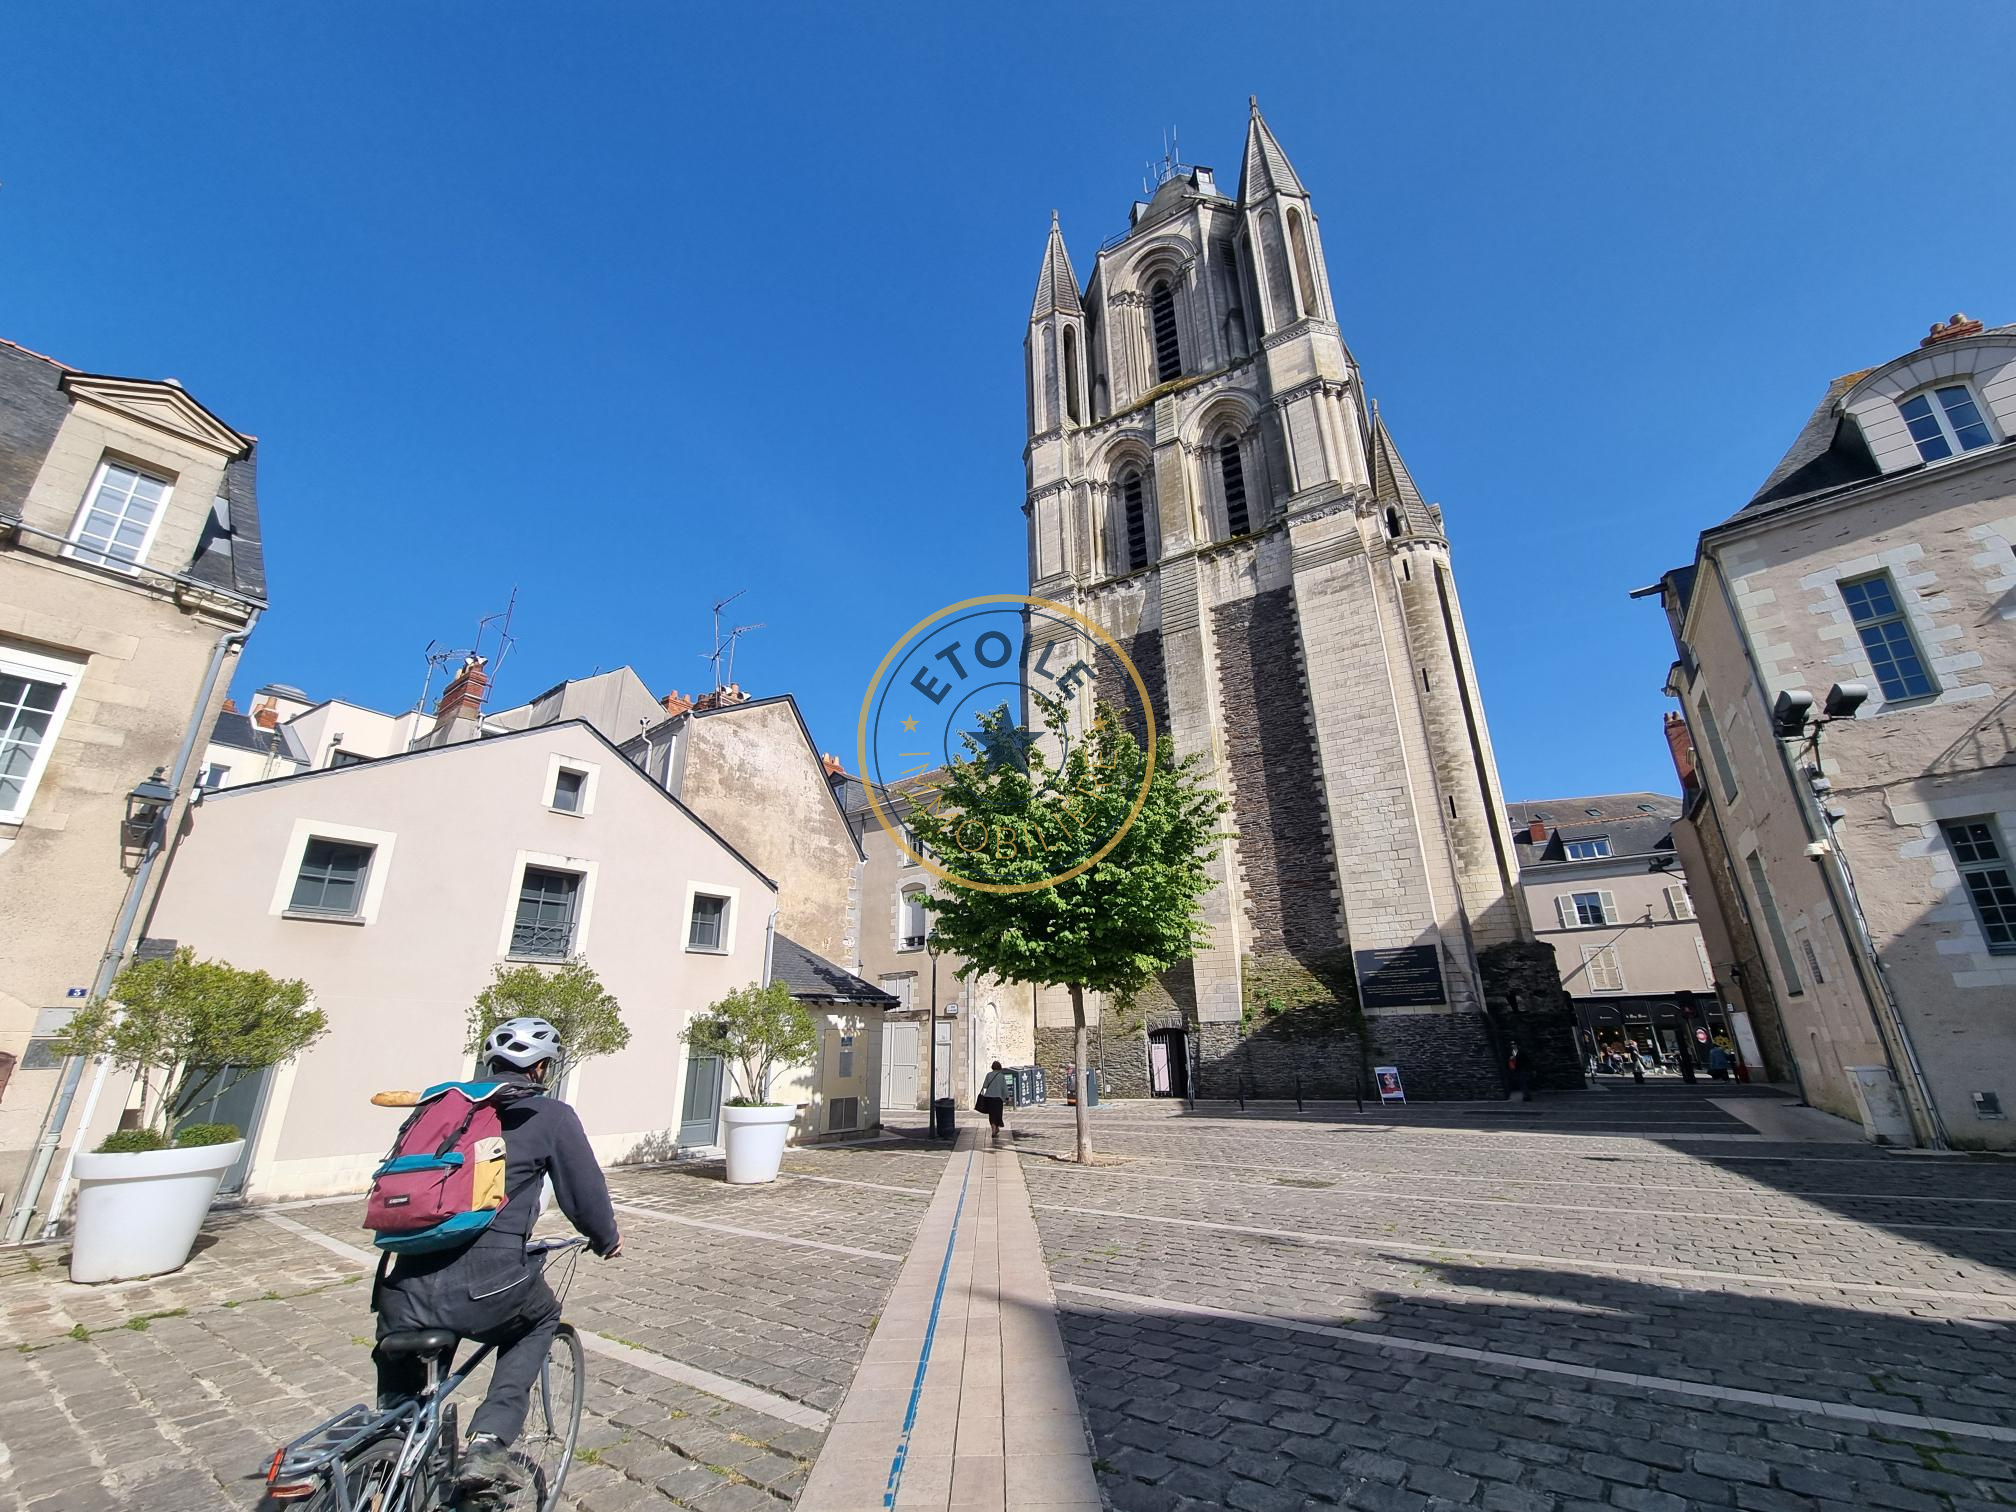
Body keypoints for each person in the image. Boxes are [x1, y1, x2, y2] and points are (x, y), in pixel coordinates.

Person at [372, 1017, 621, 1503]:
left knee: (402, 1415)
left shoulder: (439, 1108)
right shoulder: (549, 1115)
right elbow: (585, 1197)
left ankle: (385, 1452)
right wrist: (606, 1239)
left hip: (402, 1287)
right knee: (541, 1318)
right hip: (488, 1285)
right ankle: (489, 1441)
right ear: (542, 1068)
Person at [978, 1061, 1014, 1144]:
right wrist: (1007, 1097)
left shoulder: (988, 1075)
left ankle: (994, 1129)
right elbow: (1004, 1088)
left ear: (992, 1067)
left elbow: (985, 1086)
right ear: (999, 1067)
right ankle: (996, 1128)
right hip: (998, 1098)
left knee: (991, 1115)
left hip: (989, 1098)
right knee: (998, 1114)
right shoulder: (1001, 1076)